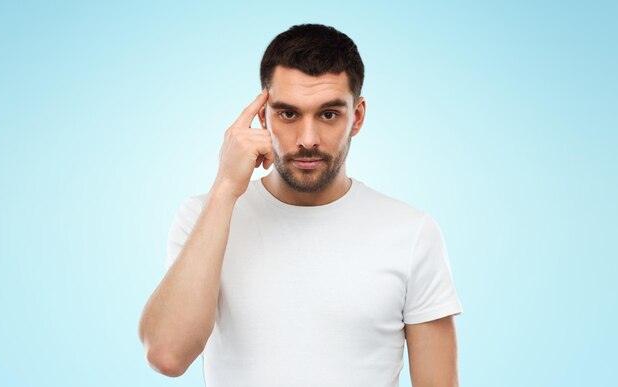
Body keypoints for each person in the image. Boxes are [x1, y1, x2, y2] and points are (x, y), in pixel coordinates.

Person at [138, 23, 463, 387]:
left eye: (328, 114)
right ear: (263, 117)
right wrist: (226, 187)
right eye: (288, 114)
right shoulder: (205, 216)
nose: (307, 140)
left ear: (356, 117)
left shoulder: (412, 232)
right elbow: (167, 355)